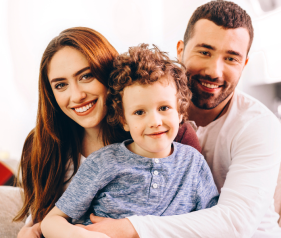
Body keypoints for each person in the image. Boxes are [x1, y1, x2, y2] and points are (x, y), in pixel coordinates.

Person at [80, 1, 281, 238]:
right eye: (205, 52)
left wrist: (132, 228)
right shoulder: (144, 116)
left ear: (244, 64)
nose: (215, 71)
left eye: (231, 59)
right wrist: (47, 223)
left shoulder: (259, 125)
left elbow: (235, 223)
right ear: (180, 50)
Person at [14, 27, 201, 238]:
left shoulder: (169, 136)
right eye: (60, 85)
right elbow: (44, 217)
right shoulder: (42, 144)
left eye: (86, 76)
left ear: (108, 73)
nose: (76, 96)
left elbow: (206, 219)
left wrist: (133, 228)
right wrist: (29, 229)